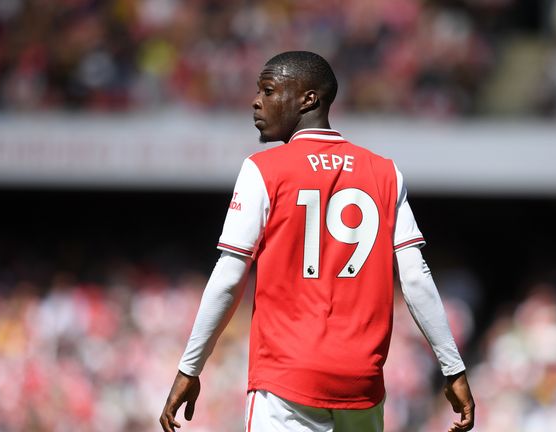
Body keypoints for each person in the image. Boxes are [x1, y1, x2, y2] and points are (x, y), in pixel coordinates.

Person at [160, 51, 475, 432]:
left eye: (269, 90)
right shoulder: (385, 172)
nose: (256, 101)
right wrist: (453, 369)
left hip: (287, 380)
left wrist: (190, 368)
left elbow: (229, 277)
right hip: (362, 384)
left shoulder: (263, 169)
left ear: (309, 99)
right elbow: (415, 278)